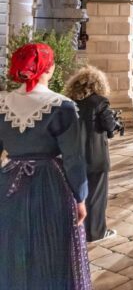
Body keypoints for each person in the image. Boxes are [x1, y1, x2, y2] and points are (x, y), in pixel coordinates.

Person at [0, 43, 91, 289]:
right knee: (51, 247)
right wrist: (80, 198)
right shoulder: (61, 106)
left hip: (8, 184)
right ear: (46, 69)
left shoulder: (3, 104)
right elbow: (73, 158)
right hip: (50, 183)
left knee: (13, 246)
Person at [64, 66, 120, 243]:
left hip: (73, 155)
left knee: (77, 195)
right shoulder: (99, 102)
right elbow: (110, 126)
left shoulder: (68, 102)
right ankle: (96, 232)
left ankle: (77, 229)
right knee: (97, 196)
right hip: (95, 156)